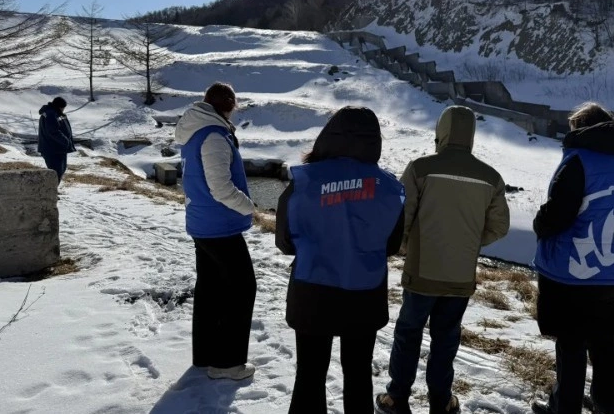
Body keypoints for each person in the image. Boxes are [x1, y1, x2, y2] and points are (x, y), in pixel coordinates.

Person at [376, 105, 510, 414]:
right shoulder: (491, 177)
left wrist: (411, 246)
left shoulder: (421, 168)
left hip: (422, 271)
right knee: (446, 338)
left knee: (408, 333)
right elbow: (500, 227)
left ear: (442, 131)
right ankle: (441, 401)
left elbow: (402, 217)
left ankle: (396, 397)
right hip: (460, 275)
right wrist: (470, 244)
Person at [275, 106, 405, 414]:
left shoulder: (304, 181)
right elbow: (392, 245)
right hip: (364, 292)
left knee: (309, 375)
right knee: (359, 376)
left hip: (312, 290)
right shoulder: (389, 187)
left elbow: (284, 241)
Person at [530, 102, 614, 414]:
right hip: (611, 268)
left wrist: (540, 223)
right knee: (606, 343)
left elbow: (559, 212)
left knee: (571, 344)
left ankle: (564, 408)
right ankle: (606, 407)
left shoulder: (578, 161)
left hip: (574, 267)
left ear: (581, 129)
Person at [174, 82, 257, 381]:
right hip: (219, 226)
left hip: (202, 222)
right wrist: (250, 207)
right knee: (242, 288)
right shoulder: (214, 136)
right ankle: (228, 363)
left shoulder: (195, 131)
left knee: (211, 289)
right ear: (229, 106)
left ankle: (205, 355)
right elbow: (220, 187)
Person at [38, 96, 76, 183]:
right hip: (52, 149)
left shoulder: (56, 113)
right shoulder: (50, 114)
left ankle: (53, 191)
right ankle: (50, 192)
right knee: (55, 172)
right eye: (63, 108)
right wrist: (65, 141)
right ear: (59, 106)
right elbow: (53, 131)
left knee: (60, 170)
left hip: (59, 148)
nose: (63, 110)